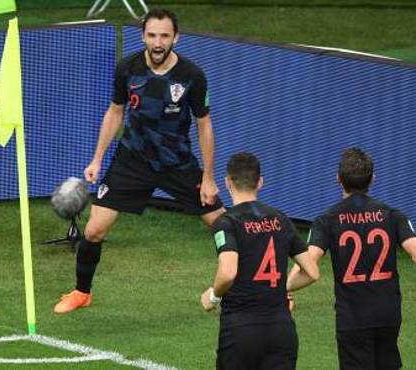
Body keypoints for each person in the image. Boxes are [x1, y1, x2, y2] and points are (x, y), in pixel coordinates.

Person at [54, 8, 225, 314]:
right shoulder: (127, 69)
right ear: (143, 35)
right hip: (132, 160)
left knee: (223, 225)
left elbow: (204, 124)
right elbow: (115, 112)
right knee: (93, 231)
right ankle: (82, 292)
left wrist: (209, 177)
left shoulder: (192, 76)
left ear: (176, 38)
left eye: (164, 36)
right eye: (152, 35)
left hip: (177, 163)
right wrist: (97, 159)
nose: (158, 42)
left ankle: (258, 290)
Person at [287, 148, 416, 370]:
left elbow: (309, 262)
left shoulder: (326, 220)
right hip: (388, 315)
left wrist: (280, 288)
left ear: (338, 180)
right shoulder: (392, 215)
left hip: (352, 318)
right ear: (372, 179)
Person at [201, 152, 319, 370]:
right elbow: (312, 271)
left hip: (241, 331)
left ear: (227, 182)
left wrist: (213, 297)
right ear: (260, 182)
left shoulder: (227, 222)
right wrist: (278, 289)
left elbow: (228, 273)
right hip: (282, 331)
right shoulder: (281, 219)